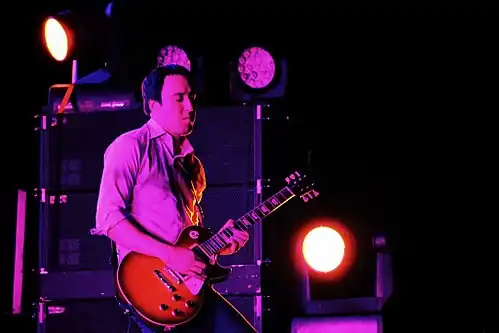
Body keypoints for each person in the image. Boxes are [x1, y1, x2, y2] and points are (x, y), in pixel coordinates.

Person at [90, 64, 257, 333]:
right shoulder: (131, 146)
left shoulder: (193, 166)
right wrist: (169, 255)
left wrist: (219, 245)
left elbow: (187, 236)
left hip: (189, 290)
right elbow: (108, 219)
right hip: (151, 289)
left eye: (191, 98)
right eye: (178, 98)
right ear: (153, 105)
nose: (190, 107)